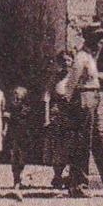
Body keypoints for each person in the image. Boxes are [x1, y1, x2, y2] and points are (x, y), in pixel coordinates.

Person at [64, 26, 103, 197]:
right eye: (98, 41)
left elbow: (93, 76)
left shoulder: (89, 57)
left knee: (100, 140)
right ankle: (79, 186)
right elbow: (72, 83)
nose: (101, 44)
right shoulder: (81, 57)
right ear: (90, 40)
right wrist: (69, 105)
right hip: (84, 99)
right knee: (82, 143)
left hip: (94, 99)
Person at [44, 48, 78, 189]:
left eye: (68, 60)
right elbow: (47, 98)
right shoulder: (55, 78)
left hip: (71, 113)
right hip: (57, 113)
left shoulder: (75, 77)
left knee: (70, 145)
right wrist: (46, 118)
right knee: (57, 146)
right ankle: (57, 176)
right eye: (63, 60)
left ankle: (70, 176)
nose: (65, 63)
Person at [5, 85, 38, 194]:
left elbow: (19, 118)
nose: (15, 100)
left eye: (18, 98)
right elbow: (7, 121)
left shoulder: (26, 109)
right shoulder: (11, 108)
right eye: (14, 97)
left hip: (24, 136)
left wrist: (10, 116)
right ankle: (16, 180)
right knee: (14, 157)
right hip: (13, 136)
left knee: (22, 158)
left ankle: (20, 177)